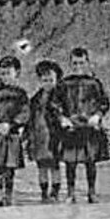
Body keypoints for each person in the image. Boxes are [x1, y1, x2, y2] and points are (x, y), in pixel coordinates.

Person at [50, 47, 110, 203]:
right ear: (70, 64)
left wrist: (97, 116)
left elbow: (103, 103)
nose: (78, 66)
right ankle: (71, 193)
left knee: (90, 161)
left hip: (89, 127)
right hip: (72, 127)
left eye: (81, 63)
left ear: (87, 63)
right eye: (75, 63)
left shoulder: (94, 83)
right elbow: (55, 104)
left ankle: (92, 192)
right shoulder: (64, 83)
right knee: (71, 162)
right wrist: (62, 118)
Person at [0, 56, 30, 207]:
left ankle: (8, 194)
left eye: (8, 73)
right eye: (1, 73)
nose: (4, 77)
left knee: (10, 167)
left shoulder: (21, 93)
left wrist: (11, 125)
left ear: (16, 73)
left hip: (11, 135)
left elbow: (25, 113)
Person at [28, 60, 64, 202]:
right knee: (41, 165)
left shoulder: (59, 97)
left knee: (54, 165)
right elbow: (31, 117)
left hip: (53, 135)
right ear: (40, 81)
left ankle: (55, 192)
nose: (48, 83)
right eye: (44, 80)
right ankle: (44, 192)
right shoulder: (35, 99)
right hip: (39, 135)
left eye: (51, 80)